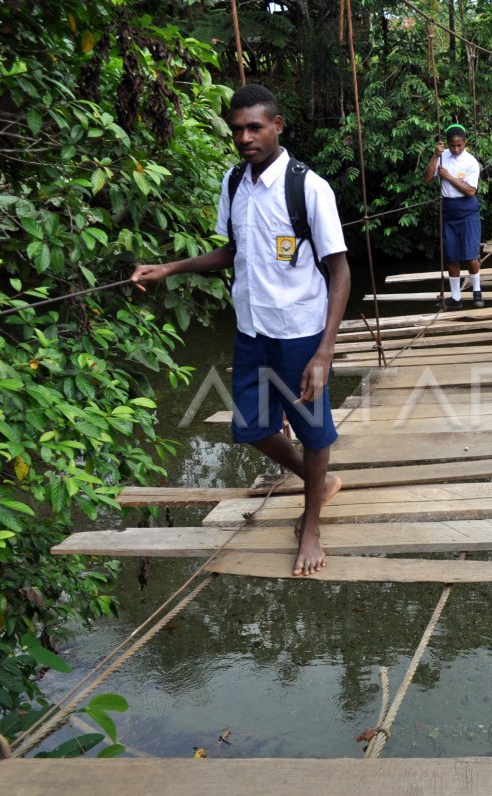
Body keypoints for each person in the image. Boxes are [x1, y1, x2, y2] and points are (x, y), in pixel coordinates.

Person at [130, 84, 350, 578]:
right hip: (253, 328)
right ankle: (319, 482)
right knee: (251, 427)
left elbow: (340, 272)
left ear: (277, 127)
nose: (245, 137)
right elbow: (233, 251)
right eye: (237, 129)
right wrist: (171, 267)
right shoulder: (234, 183)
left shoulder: (308, 187)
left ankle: (310, 522)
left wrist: (323, 353)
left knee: (314, 431)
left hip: (300, 329)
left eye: (255, 127)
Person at [424, 123, 483, 309]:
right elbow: (427, 178)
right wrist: (436, 155)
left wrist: (448, 177)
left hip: (467, 210)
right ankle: (456, 298)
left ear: (465, 143)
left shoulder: (471, 162)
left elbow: (470, 191)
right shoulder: (443, 157)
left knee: (471, 254)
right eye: (452, 145)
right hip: (448, 209)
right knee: (451, 256)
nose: (456, 149)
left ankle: (477, 292)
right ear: (447, 144)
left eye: (460, 145)